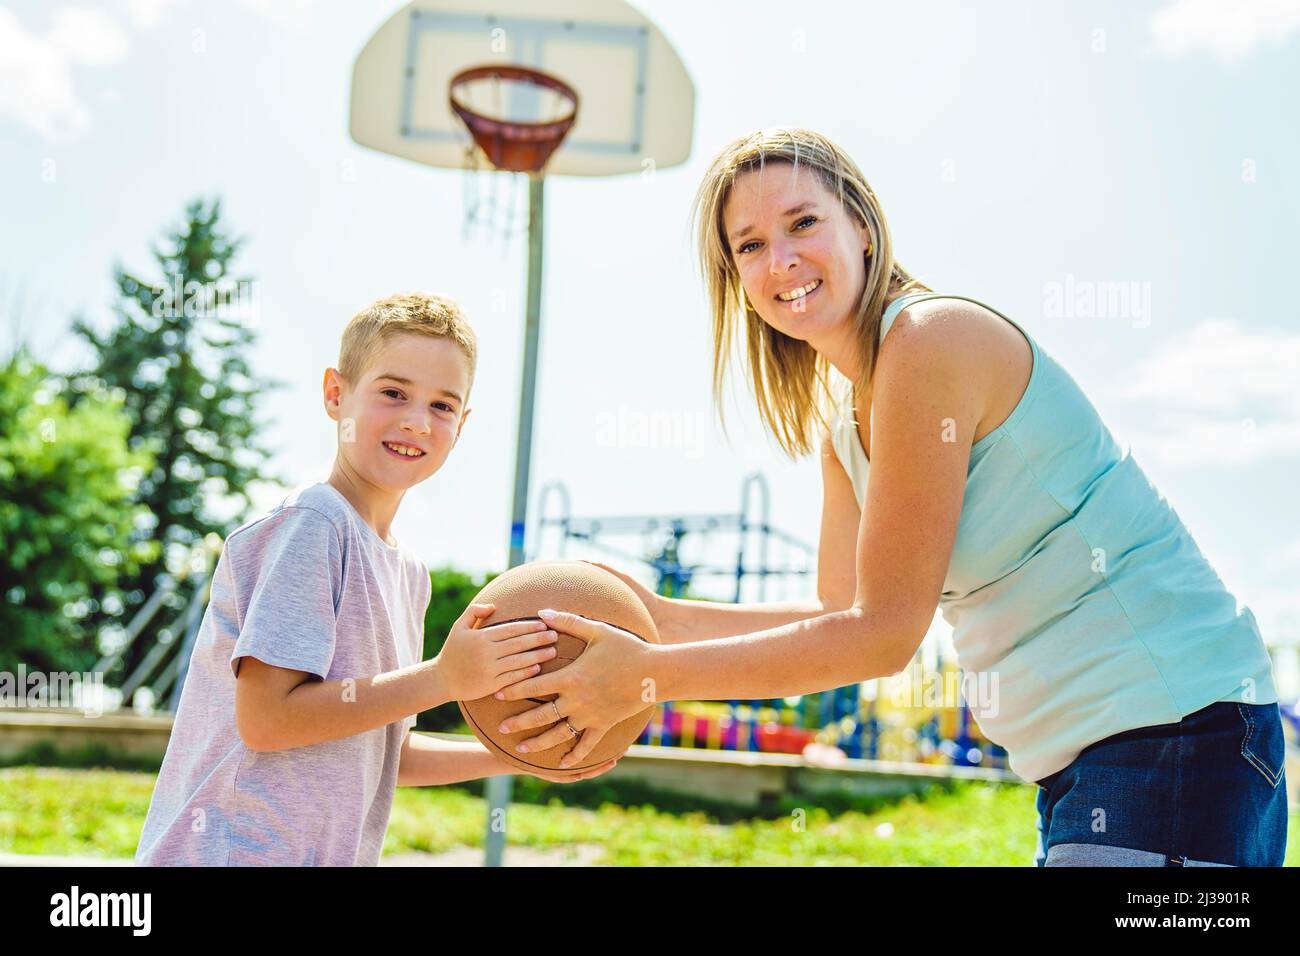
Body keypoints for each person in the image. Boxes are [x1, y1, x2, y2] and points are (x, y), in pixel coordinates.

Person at [493, 128, 1288, 867]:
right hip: (1094, 755)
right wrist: (659, 619)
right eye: (751, 245)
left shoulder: (930, 341)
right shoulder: (841, 418)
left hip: (1174, 728)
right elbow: (837, 615)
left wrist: (649, 675)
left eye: (804, 223)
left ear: (863, 228)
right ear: (737, 280)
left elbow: (882, 637)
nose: (783, 260)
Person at [136, 292, 615, 866]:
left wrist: (514, 757)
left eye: (442, 406)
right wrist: (444, 678)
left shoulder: (408, 573)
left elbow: (387, 752)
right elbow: (267, 720)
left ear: (461, 427)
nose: (417, 419)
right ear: (336, 395)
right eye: (393, 393)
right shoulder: (314, 526)